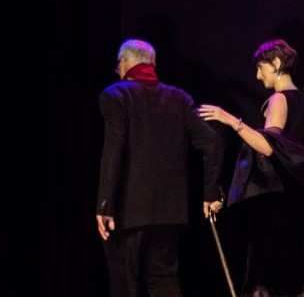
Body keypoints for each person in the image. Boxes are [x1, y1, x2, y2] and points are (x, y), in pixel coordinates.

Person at [198, 39, 304, 297]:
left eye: (260, 68)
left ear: (275, 64)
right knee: (301, 278)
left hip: (280, 203)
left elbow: (268, 146)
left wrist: (230, 120)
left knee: (271, 278)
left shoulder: (278, 100)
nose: (256, 75)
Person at [96, 39, 224, 297]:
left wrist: (104, 204)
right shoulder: (179, 98)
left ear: (126, 62)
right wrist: (210, 193)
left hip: (127, 210)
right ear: (151, 63)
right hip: (170, 212)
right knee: (164, 281)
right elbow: (212, 142)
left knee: (125, 284)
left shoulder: (116, 94)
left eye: (118, 64)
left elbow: (114, 149)